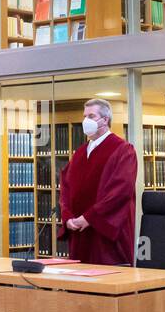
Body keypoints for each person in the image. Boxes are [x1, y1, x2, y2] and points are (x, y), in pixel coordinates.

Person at [58, 98, 139, 265]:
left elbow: (120, 191)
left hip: (106, 236)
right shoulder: (80, 153)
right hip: (79, 232)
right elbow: (66, 188)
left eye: (91, 116)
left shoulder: (123, 150)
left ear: (105, 119)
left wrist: (89, 218)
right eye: (84, 116)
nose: (86, 120)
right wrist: (68, 217)